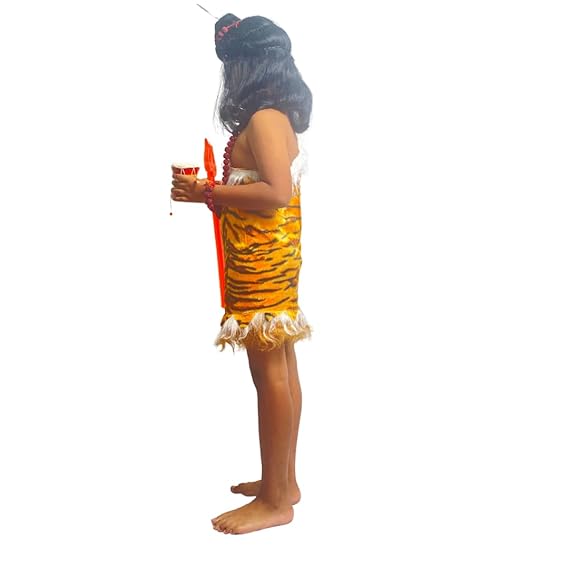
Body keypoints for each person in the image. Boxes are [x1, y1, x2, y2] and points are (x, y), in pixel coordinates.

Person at [170, 12, 312, 535]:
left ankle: (276, 501)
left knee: (270, 374)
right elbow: (261, 190)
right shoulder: (270, 117)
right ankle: (282, 481)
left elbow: (274, 192)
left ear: (247, 65)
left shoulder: (266, 118)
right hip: (266, 261)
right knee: (279, 368)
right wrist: (211, 194)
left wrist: (207, 191)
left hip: (263, 266)